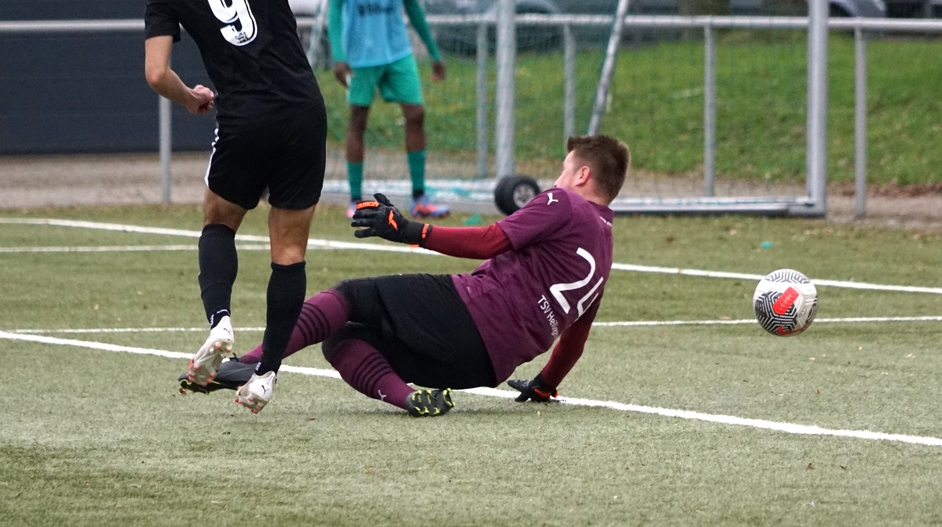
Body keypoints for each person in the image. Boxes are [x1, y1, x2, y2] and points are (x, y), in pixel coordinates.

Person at [179, 136, 631, 417]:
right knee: (340, 338)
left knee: (348, 296)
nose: (556, 178)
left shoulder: (564, 203)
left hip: (478, 313)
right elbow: (576, 334)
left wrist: (408, 230)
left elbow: (491, 240)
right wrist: (545, 384)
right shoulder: (605, 247)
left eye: (563, 169)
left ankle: (254, 362)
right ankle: (409, 398)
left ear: (583, 174)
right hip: (488, 365)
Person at [145, 0, 363, 414]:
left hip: (243, 118)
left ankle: (220, 323)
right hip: (299, 111)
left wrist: (190, 96)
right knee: (288, 250)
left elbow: (154, 73)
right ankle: (265, 375)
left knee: (218, 219)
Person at [327, 0, 450, 221]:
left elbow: (411, 3)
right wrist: (339, 55)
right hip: (362, 55)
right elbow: (336, 8)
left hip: (397, 50)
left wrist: (434, 51)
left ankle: (420, 196)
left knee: (416, 114)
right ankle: (355, 198)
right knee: (358, 121)